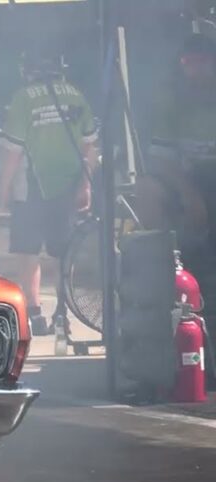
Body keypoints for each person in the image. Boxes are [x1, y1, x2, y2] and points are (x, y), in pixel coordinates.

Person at [0, 48, 98, 336]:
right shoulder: (76, 95)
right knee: (61, 252)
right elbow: (90, 146)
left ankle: (34, 314)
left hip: (30, 185)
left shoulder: (22, 98)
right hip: (68, 184)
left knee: (27, 250)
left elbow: (13, 152)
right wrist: (86, 185)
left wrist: (2, 190)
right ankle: (62, 314)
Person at [136, 33, 216, 322]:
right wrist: (189, 193)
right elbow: (161, 158)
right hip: (189, 179)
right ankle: (165, 271)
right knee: (146, 188)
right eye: (188, 63)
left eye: (202, 63)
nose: (195, 70)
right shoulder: (171, 101)